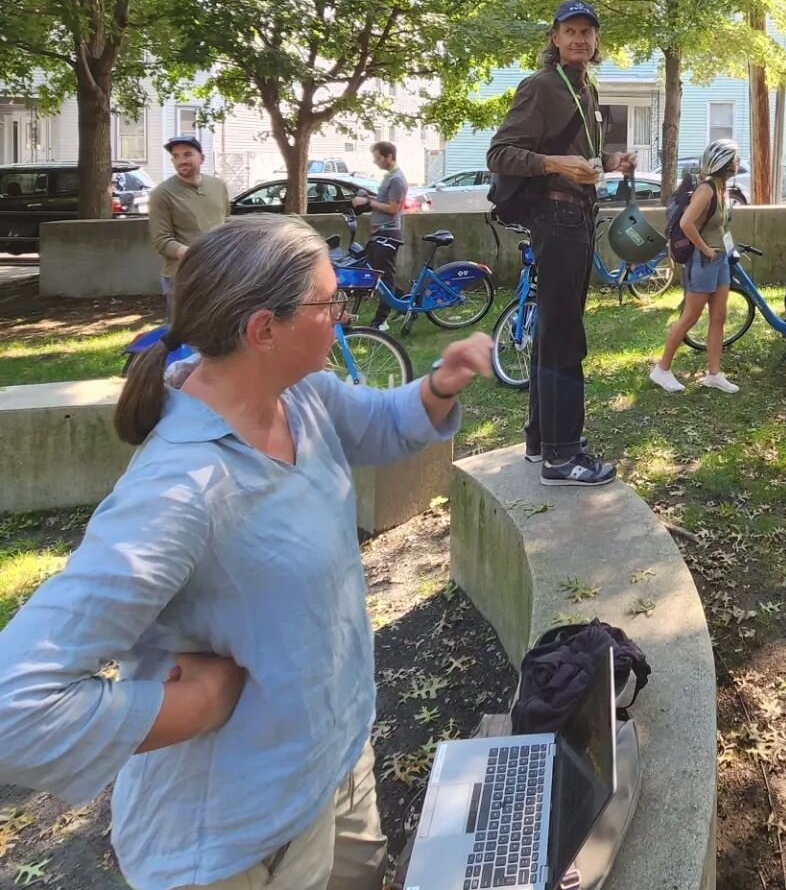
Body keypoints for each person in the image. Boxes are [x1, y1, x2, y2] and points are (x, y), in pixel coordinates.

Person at [0, 215, 493, 890]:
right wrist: (193, 707)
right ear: (264, 329)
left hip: (334, 761)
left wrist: (438, 386)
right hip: (245, 841)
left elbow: (381, 426)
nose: (342, 315)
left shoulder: (304, 398)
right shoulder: (179, 493)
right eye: (328, 303)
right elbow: (15, 709)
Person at [487, 0, 636, 487]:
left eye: (587, 32)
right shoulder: (540, 86)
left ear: (596, 42)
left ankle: (540, 441)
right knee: (565, 336)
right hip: (555, 217)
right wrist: (553, 164)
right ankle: (563, 456)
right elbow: (500, 153)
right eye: (570, 31)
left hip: (577, 216)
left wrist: (611, 162)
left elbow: (582, 157)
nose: (579, 39)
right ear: (554, 38)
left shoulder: (585, 91)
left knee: (554, 331)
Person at [650, 140, 742, 395]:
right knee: (690, 316)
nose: (738, 163)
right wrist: (705, 249)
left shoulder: (722, 188)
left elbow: (720, 226)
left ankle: (714, 374)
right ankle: (662, 369)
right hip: (704, 260)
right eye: (734, 159)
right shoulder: (707, 189)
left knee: (719, 316)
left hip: (720, 259)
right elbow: (687, 223)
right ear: (723, 163)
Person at [149, 134, 230, 307]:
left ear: (201, 158)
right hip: (183, 278)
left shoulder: (218, 186)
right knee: (184, 332)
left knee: (219, 328)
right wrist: (198, 254)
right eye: (176, 156)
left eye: (187, 154)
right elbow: (162, 241)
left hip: (219, 273)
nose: (181, 161)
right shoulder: (162, 194)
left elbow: (226, 225)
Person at [351, 141, 408, 329]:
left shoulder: (397, 179)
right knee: (379, 275)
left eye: (377, 157)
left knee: (384, 277)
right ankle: (406, 303)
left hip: (388, 234)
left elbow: (393, 208)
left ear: (389, 156)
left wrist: (367, 201)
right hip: (380, 233)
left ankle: (380, 322)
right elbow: (384, 201)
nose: (375, 161)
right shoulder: (389, 177)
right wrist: (368, 199)